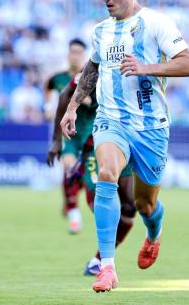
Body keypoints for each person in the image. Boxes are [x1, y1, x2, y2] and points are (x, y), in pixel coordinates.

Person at [60, 0, 189, 292]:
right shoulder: (102, 30)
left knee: (145, 204)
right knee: (106, 174)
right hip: (111, 121)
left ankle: (153, 233)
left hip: (151, 128)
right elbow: (92, 70)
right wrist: (72, 107)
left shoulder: (156, 23)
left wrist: (146, 67)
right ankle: (107, 268)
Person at [47, 72, 136, 276]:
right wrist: (57, 139)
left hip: (127, 141)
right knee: (101, 204)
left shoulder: (135, 64)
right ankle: (105, 263)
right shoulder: (95, 69)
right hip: (96, 146)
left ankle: (97, 260)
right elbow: (63, 96)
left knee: (130, 207)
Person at [44, 39, 88, 234]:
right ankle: (74, 213)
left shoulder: (90, 77)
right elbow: (47, 85)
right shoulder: (59, 78)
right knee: (69, 168)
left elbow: (91, 100)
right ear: (68, 54)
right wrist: (47, 106)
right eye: (72, 52)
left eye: (79, 52)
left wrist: (80, 99)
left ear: (84, 54)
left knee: (86, 175)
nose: (75, 55)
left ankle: (72, 198)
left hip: (90, 132)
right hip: (69, 134)